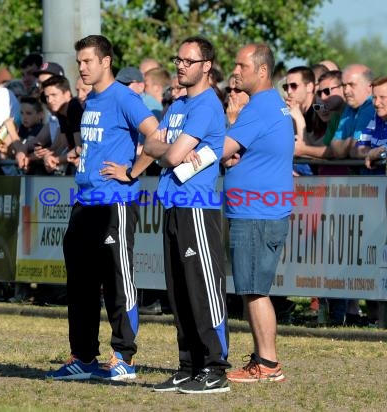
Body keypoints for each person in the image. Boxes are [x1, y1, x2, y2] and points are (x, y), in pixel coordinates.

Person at [45, 34, 158, 381]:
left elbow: (155, 135)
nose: (81, 68)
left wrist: (131, 171)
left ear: (106, 61)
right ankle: (83, 357)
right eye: (79, 62)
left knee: (117, 281)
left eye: (87, 62)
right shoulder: (88, 101)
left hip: (115, 203)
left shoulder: (125, 97)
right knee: (79, 282)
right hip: (84, 202)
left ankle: (123, 356)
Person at [144, 36, 230, 394]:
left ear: (206, 66)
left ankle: (215, 367)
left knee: (202, 288)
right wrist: (165, 149)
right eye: (178, 60)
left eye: (189, 61)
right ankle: (188, 364)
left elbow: (173, 154)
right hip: (173, 203)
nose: (180, 66)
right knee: (178, 290)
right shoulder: (178, 106)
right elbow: (150, 146)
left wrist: (164, 149)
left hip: (197, 206)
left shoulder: (207, 106)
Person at [220, 43, 291, 383]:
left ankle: (267, 363)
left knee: (254, 289)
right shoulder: (269, 104)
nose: (236, 71)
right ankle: (265, 361)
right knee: (254, 287)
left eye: (242, 65)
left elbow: (222, 150)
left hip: (256, 212)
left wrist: (228, 125)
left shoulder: (259, 108)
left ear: (262, 71)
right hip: (262, 210)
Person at [329, 64, 375, 158]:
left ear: (369, 86)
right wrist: (350, 141)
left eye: (351, 85)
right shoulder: (349, 108)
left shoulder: (372, 107)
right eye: (344, 85)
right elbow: (335, 148)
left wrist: (345, 144)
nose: (346, 91)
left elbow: (357, 149)